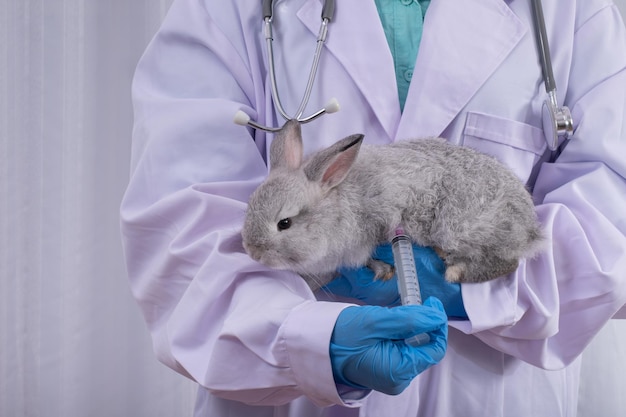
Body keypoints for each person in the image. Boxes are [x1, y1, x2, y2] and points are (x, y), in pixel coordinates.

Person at [120, 0, 626, 416]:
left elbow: (613, 213)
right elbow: (176, 230)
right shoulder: (225, 9)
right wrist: (314, 342)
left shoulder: (573, 11)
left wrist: (471, 289)